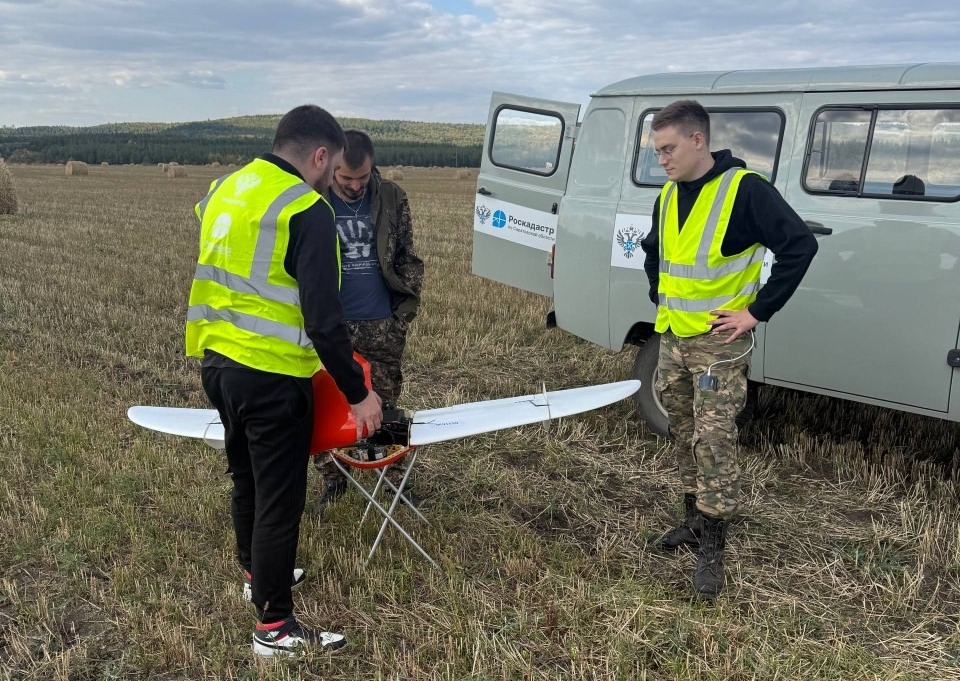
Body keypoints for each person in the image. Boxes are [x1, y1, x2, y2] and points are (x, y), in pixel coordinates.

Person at [185, 105, 382, 657]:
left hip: (218, 366)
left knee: (246, 481)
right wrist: (358, 393)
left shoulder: (225, 188)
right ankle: (274, 628)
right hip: (271, 377)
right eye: (331, 167)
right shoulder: (305, 208)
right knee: (280, 500)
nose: (330, 179)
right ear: (320, 155)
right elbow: (323, 321)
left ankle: (255, 576)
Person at [639, 100, 818, 598]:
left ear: (699, 140)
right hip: (673, 338)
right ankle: (693, 519)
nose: (663, 160)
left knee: (714, 442)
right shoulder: (668, 194)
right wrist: (658, 292)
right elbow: (655, 251)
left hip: (719, 345)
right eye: (657, 151)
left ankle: (714, 546)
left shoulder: (745, 191)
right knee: (683, 431)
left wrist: (757, 312)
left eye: (669, 148)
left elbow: (800, 246)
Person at [312, 130, 425, 512]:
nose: (356, 186)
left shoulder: (392, 197)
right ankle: (334, 480)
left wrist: (402, 316)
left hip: (382, 324)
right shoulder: (311, 200)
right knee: (325, 408)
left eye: (363, 178)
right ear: (331, 167)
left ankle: (394, 483)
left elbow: (409, 256)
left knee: (387, 408)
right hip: (330, 328)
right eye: (346, 179)